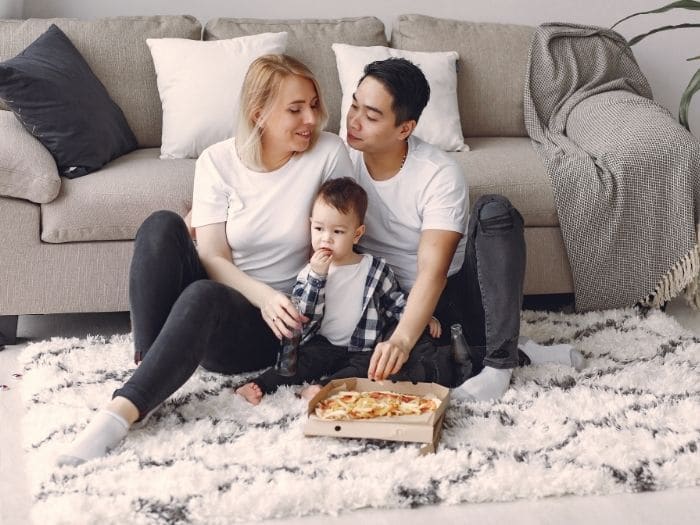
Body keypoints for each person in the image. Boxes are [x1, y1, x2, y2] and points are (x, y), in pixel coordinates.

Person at [56, 54, 354, 466]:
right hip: (242, 293)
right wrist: (261, 294)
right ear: (260, 114)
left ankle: (119, 413)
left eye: (314, 104)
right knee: (160, 225)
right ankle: (152, 360)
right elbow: (212, 255)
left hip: (271, 327)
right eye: (295, 108)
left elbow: (344, 238)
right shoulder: (218, 161)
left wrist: (282, 302)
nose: (311, 118)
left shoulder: (327, 153)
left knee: (202, 296)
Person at [343, 58, 583, 402]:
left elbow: (433, 271)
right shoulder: (340, 160)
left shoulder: (437, 173)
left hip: (448, 298)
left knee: (495, 211)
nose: (354, 121)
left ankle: (499, 366)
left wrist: (402, 339)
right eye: (354, 105)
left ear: (404, 128)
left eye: (371, 115)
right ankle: (516, 348)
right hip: (383, 300)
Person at [236, 177, 447, 404]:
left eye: (337, 232)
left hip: (362, 347)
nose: (326, 238)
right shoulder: (310, 272)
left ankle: (323, 389)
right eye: (318, 228)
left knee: (369, 371)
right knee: (296, 362)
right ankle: (259, 385)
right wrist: (318, 277)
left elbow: (395, 303)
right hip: (323, 344)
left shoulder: (374, 268)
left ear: (356, 234)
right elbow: (303, 315)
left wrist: (424, 317)